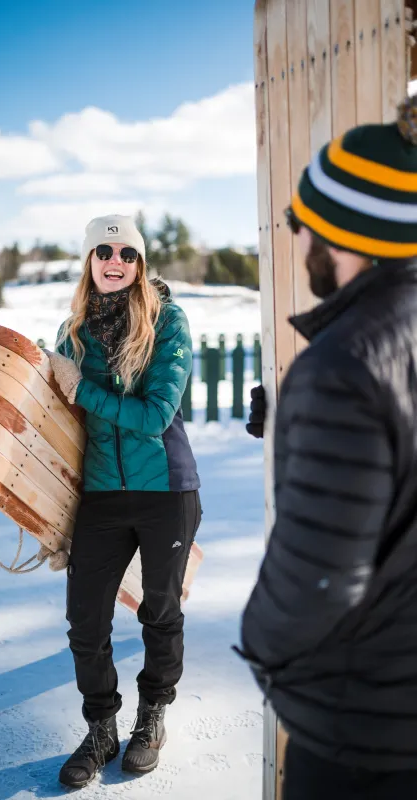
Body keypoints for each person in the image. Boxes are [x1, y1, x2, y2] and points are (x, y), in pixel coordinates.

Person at [239, 95, 417, 799]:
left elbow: (316, 578)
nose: (299, 243)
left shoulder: (345, 364)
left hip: (363, 728)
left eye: (302, 224)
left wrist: (262, 651)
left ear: (345, 233)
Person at [46, 214, 201, 789]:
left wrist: (81, 387)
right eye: (103, 251)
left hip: (166, 492)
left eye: (128, 253)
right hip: (102, 497)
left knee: (159, 612)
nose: (116, 261)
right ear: (89, 262)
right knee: (86, 620)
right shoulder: (72, 332)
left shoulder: (168, 322)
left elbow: (155, 416)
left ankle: (152, 716)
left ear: (140, 264)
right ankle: (102, 727)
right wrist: (47, 511)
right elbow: (56, 428)